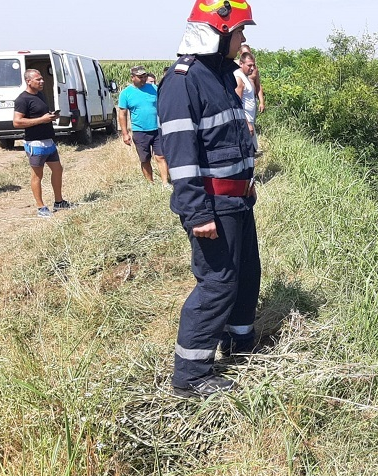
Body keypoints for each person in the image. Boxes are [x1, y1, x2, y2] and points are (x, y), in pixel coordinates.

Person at [158, 0, 259, 398]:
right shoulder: (184, 80)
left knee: (246, 274)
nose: (243, 39)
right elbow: (181, 158)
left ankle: (240, 343)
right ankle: (191, 374)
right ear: (217, 34)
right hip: (212, 206)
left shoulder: (221, 76)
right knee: (216, 283)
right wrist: (197, 212)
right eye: (238, 31)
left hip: (237, 201)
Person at [12, 69, 71, 217]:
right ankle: (41, 208)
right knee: (37, 176)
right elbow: (17, 122)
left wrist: (50, 116)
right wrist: (41, 120)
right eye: (38, 79)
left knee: (58, 169)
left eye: (42, 79)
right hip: (35, 143)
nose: (42, 81)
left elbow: (40, 115)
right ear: (28, 81)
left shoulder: (40, 95)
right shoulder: (22, 100)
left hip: (49, 141)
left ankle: (59, 202)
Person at [118, 65, 169, 184]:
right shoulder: (126, 93)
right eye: (140, 77)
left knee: (161, 156)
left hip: (157, 129)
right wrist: (125, 133)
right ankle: (150, 183)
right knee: (145, 159)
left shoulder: (154, 88)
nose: (143, 78)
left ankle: (165, 183)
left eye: (144, 76)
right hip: (140, 131)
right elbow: (122, 114)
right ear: (132, 78)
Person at [234, 52, 258, 151]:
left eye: (253, 65)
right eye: (249, 65)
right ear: (241, 64)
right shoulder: (239, 78)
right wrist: (247, 123)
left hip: (249, 120)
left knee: (252, 150)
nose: (252, 68)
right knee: (247, 151)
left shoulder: (246, 77)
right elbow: (237, 103)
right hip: (244, 121)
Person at [238, 44, 264, 114]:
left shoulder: (254, 69)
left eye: (249, 53)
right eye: (245, 53)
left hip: (252, 99)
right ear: (240, 54)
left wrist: (261, 102)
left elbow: (258, 85)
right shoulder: (235, 68)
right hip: (243, 101)